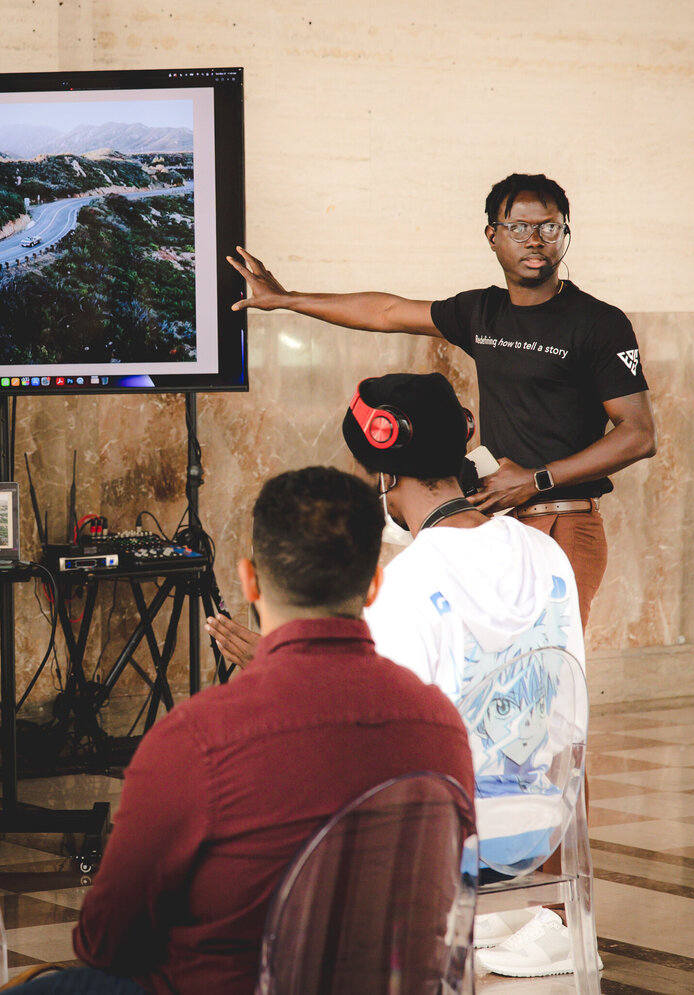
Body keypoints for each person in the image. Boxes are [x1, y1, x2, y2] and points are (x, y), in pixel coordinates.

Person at [17, 467, 474, 995]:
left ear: (250, 579)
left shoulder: (196, 738)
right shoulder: (441, 725)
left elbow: (105, 943)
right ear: (373, 584)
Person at [208, 373, 590, 979]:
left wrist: (280, 663)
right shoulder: (546, 553)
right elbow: (569, 715)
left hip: (442, 840)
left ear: (383, 474)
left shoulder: (412, 582)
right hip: (541, 821)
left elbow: (375, 731)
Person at [226, 172, 657, 629]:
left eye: (549, 227)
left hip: (563, 523)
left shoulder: (599, 323)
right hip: (497, 523)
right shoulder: (482, 312)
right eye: (519, 228)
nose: (535, 240)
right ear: (493, 236)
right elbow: (386, 312)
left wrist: (538, 480)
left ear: (564, 233)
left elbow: (638, 434)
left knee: (540, 668)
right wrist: (289, 299)